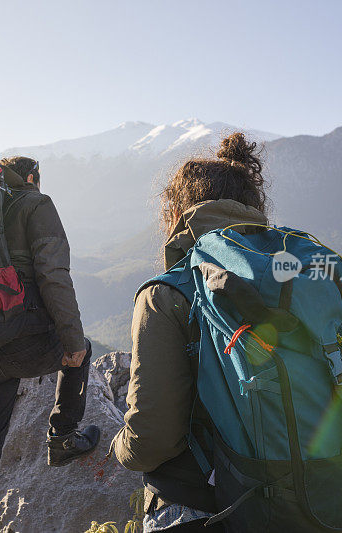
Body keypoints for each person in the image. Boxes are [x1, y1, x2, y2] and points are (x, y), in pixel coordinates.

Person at [112, 133, 269, 532]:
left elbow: (152, 440)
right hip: (299, 502)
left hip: (200, 506)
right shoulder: (286, 280)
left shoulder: (167, 294)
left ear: (179, 212)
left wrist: (118, 447)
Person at [0, 156, 100, 533]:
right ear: (31, 177)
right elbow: (53, 275)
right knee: (81, 349)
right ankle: (63, 436)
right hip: (26, 338)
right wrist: (73, 339)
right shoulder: (36, 203)